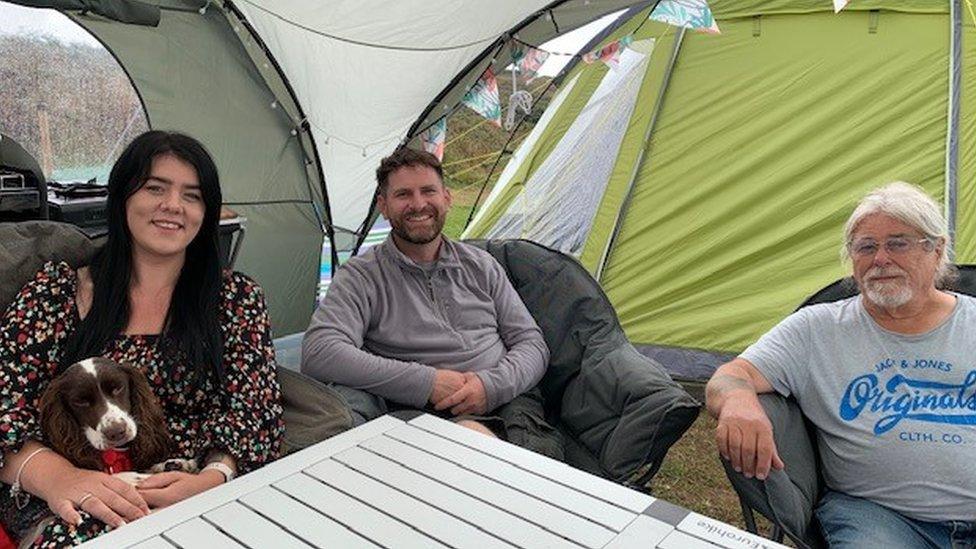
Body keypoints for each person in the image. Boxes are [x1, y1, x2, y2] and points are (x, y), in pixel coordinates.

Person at [0, 131, 284, 547]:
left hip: (194, 482)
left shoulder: (235, 300)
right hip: (78, 488)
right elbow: (5, 400)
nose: (173, 206)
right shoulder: (56, 295)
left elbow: (256, 409)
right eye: (155, 188)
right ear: (121, 198)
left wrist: (212, 479)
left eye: (192, 195)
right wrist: (59, 477)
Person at [706, 182, 976, 548]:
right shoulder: (817, 329)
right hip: (880, 516)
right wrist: (739, 402)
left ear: (936, 250)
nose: (880, 259)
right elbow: (732, 376)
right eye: (866, 246)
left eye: (898, 243)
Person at [302, 147, 557, 449]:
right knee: (470, 456)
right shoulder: (362, 276)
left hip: (505, 398)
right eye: (403, 195)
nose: (419, 204)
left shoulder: (481, 265)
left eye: (428, 191)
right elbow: (320, 351)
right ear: (383, 206)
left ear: (446, 198)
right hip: (415, 409)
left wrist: (491, 386)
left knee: (537, 468)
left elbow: (531, 342)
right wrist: (427, 382)